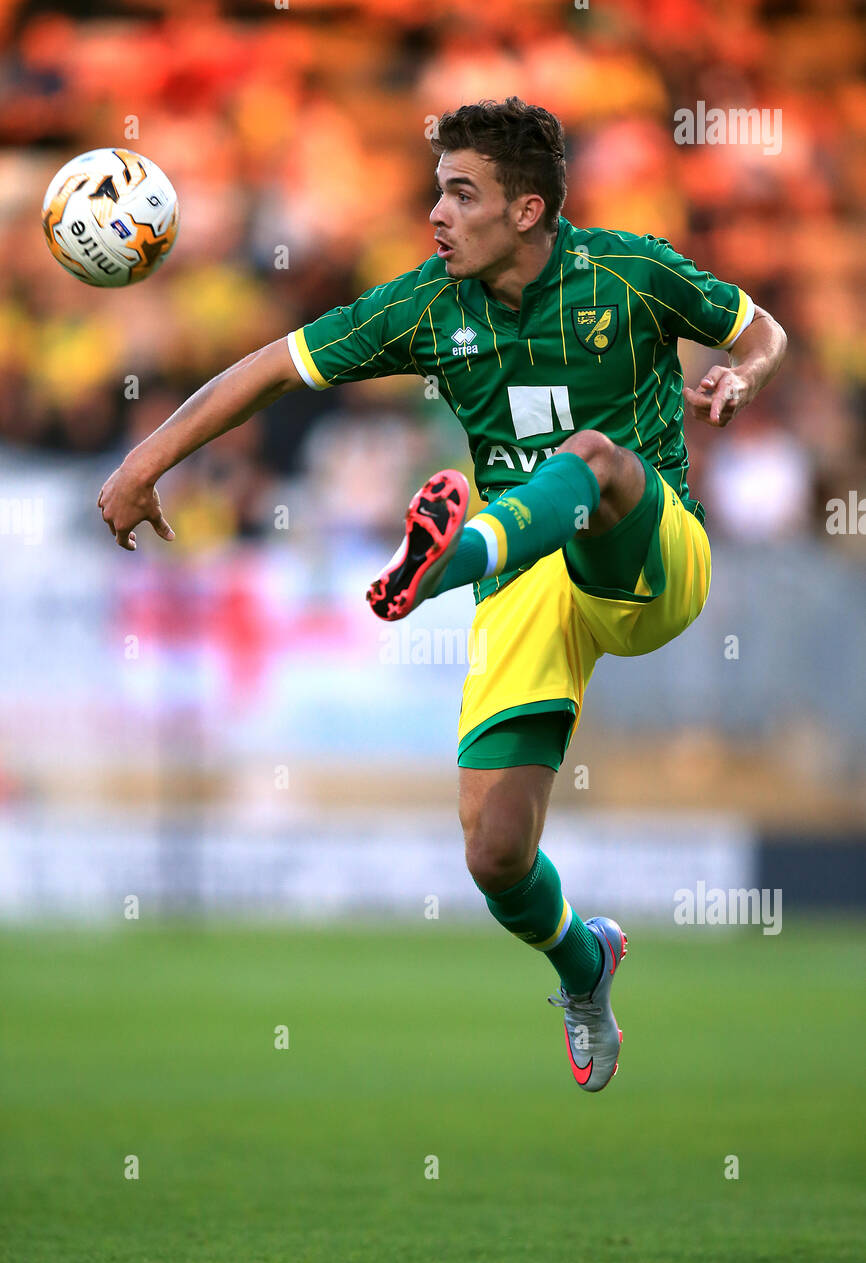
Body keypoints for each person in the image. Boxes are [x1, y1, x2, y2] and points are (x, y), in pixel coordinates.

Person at [98, 97, 787, 1094]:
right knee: (495, 853)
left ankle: (441, 562)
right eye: (436, 190)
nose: (437, 213)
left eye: (461, 193)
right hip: (524, 582)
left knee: (591, 459)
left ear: (526, 210)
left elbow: (757, 329)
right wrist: (144, 458)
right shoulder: (427, 305)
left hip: (647, 556)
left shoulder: (630, 274)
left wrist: (742, 377)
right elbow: (272, 368)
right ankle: (583, 965)